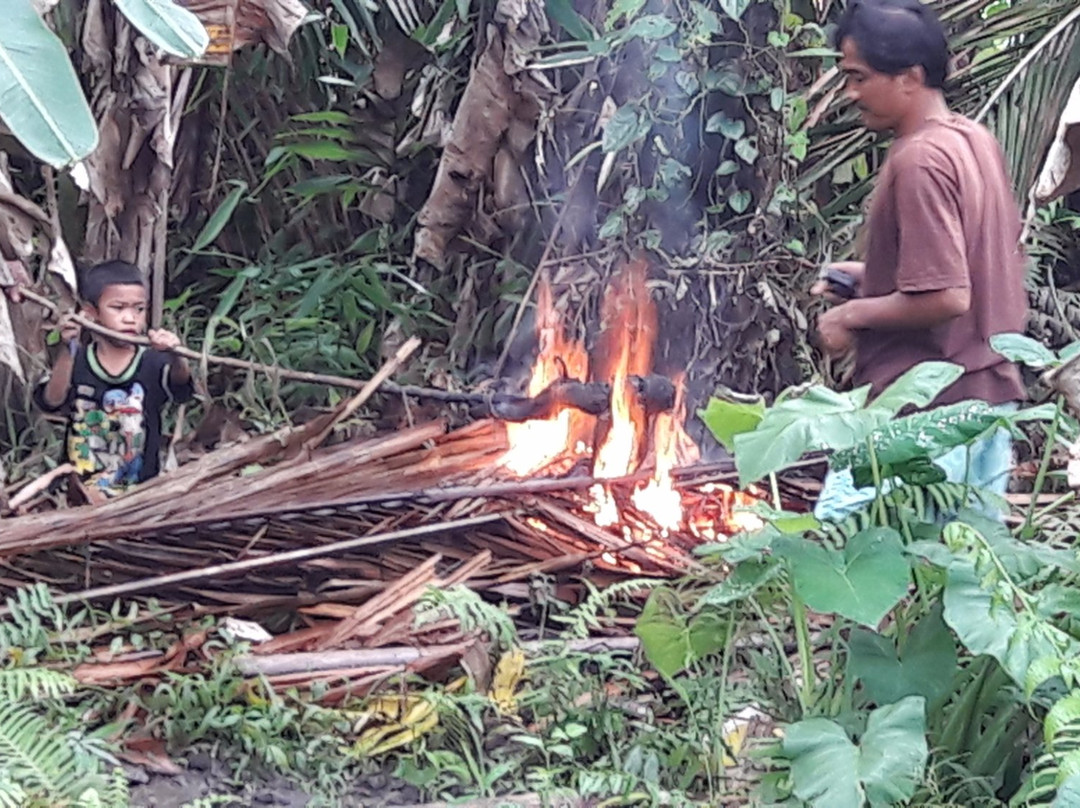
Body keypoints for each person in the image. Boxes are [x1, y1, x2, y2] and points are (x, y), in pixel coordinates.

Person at [812, 0, 1027, 521]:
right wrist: (867, 278)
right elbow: (969, 264)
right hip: (987, 400)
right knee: (962, 564)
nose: (850, 93)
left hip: (922, 416)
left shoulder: (919, 161)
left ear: (909, 76)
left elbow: (947, 296)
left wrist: (849, 315)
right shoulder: (972, 139)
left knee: (841, 546)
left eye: (859, 77)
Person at [34, 260, 194, 498]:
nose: (130, 318)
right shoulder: (76, 362)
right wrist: (67, 349)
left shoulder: (153, 361)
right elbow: (52, 401)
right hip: (78, 495)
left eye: (139, 309)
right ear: (90, 313)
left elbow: (182, 390)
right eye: (118, 308)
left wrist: (176, 354)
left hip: (139, 495)